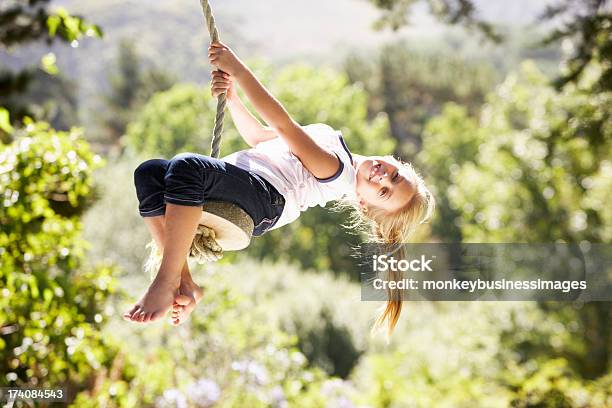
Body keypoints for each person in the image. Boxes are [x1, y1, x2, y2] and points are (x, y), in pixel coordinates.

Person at [123, 42, 435, 334]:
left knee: (186, 167)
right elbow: (259, 138)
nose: (383, 178)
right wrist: (233, 98)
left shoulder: (337, 172)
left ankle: (166, 279)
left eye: (384, 192)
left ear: (364, 205)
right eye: (395, 176)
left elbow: (284, 124)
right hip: (246, 179)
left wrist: (239, 70)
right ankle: (185, 284)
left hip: (263, 198)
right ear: (396, 161)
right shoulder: (334, 141)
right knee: (149, 173)